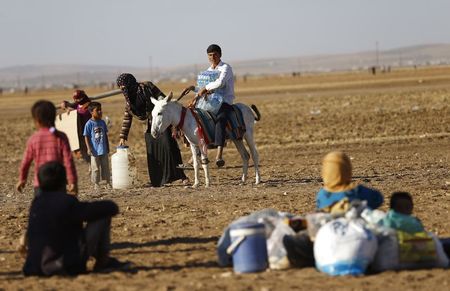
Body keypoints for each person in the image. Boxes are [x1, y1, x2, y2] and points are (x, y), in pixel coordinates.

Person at [22, 161, 127, 276]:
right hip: (66, 266)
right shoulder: (67, 202)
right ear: (64, 182)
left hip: (34, 268)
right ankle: (103, 262)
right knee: (102, 216)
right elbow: (111, 207)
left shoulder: (36, 204)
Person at [116, 73, 188, 187]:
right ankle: (158, 180)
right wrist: (123, 136)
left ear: (130, 83)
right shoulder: (129, 101)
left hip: (161, 123)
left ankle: (181, 176)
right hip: (148, 128)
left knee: (169, 147)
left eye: (124, 86)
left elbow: (161, 97)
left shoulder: (147, 87)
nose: (123, 89)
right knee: (153, 153)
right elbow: (127, 118)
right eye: (120, 87)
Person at [181, 44, 235, 167]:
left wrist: (204, 88)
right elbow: (202, 88)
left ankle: (219, 154)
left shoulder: (226, 68)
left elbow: (220, 83)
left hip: (225, 101)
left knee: (220, 120)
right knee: (197, 121)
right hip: (210, 102)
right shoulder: (208, 71)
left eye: (215, 54)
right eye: (210, 55)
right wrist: (193, 88)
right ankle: (196, 155)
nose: (212, 57)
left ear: (220, 55)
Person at [16, 100, 78, 196]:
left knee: (43, 208)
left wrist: (22, 179)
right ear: (54, 117)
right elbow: (68, 161)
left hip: (40, 183)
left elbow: (26, 162)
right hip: (59, 182)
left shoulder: (34, 139)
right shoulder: (61, 137)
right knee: (58, 208)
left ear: (37, 120)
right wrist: (72, 181)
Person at [316, 151, 384, 211]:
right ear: (348, 170)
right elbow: (378, 198)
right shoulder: (357, 191)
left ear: (325, 172)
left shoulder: (322, 194)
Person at [83, 102, 111, 190]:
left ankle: (107, 182)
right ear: (91, 112)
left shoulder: (102, 122)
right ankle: (96, 183)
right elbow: (86, 137)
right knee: (95, 168)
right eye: (97, 110)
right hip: (94, 151)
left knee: (105, 166)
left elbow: (105, 135)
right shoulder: (89, 124)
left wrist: (108, 146)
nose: (100, 112)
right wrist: (89, 148)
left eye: (100, 110)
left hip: (103, 149)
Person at [60, 90, 92, 162]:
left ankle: (92, 165)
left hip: (88, 132)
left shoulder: (88, 105)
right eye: (76, 99)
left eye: (79, 98)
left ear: (83, 97)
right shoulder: (78, 104)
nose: (77, 100)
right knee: (83, 151)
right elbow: (70, 105)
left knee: (89, 150)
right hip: (80, 132)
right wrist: (65, 104)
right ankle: (89, 164)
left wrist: (74, 111)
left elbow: (84, 113)